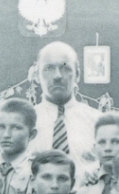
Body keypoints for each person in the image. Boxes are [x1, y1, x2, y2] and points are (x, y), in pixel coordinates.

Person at [28, 42, 101, 171]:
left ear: (77, 74)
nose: (57, 76)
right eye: (49, 68)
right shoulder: (26, 122)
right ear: (37, 75)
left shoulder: (97, 121)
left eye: (65, 68)